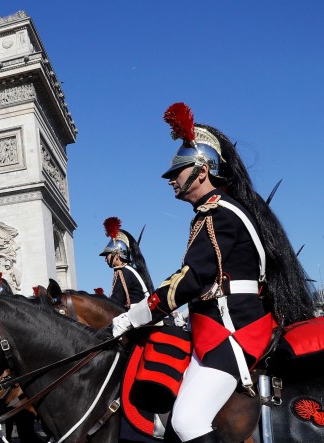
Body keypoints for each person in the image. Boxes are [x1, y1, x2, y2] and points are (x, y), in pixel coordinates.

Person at [111, 103, 315, 443]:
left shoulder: (218, 213)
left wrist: (138, 314)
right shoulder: (215, 212)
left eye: (177, 171)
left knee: (189, 421)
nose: (171, 180)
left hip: (233, 331)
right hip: (214, 329)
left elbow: (192, 279)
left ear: (202, 170)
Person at [100, 217, 154, 309]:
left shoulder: (123, 272)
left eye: (107, 255)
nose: (106, 259)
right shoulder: (128, 270)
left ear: (117, 254)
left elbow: (116, 303)